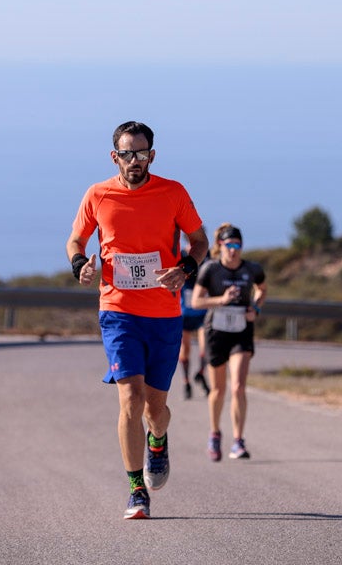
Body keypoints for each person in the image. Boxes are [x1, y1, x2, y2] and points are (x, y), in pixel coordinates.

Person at [66, 121, 210, 520]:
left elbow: (200, 242)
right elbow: (75, 240)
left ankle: (158, 440)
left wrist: (184, 269)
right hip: (118, 311)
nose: (135, 161)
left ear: (152, 155)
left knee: (154, 408)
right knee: (129, 396)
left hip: (164, 314)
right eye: (127, 154)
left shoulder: (173, 192)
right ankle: (135, 491)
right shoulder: (98, 195)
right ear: (115, 156)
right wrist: (81, 264)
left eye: (142, 153)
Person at [191, 223, 267, 462]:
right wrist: (221, 300)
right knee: (218, 390)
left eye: (237, 245)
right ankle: (215, 434)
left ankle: (238, 440)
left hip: (241, 332)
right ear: (220, 246)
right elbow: (196, 302)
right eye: (228, 245)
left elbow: (262, 289)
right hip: (217, 331)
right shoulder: (210, 270)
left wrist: (255, 307)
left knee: (238, 387)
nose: (233, 250)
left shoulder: (253, 269)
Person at [178, 243, 210, 400]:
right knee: (185, 350)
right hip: (185, 313)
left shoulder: (208, 256)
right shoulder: (181, 255)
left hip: (203, 312)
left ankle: (201, 374)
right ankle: (186, 382)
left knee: (206, 348)